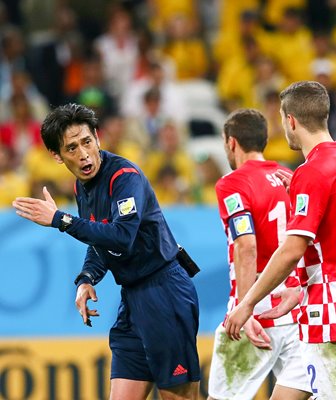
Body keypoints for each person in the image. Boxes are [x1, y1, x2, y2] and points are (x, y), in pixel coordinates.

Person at [12, 103, 201, 400]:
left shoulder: (124, 176)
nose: (83, 153)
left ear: (98, 137)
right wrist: (86, 278)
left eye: (87, 142)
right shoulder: (82, 187)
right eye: (71, 148)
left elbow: (122, 236)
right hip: (133, 299)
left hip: (164, 292)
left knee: (179, 397)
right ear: (56, 156)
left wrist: (61, 220)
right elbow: (100, 241)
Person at [224, 81, 336, 399]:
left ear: (290, 120)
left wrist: (247, 303)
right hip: (331, 306)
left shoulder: (314, 171)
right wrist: (300, 289)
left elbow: (292, 249)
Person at [208, 108, 311, 400]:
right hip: (294, 308)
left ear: (231, 142)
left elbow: (246, 244)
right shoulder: (289, 178)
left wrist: (245, 305)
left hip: (255, 311)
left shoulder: (233, 183)